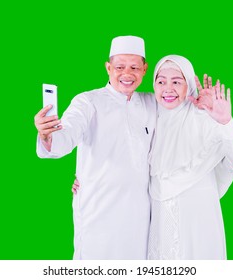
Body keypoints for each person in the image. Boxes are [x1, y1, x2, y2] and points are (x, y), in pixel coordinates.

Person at [34, 36, 157, 259]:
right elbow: (67, 133)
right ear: (108, 68)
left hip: (140, 216)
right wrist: (46, 134)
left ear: (145, 69)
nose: (127, 74)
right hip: (98, 211)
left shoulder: (152, 103)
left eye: (134, 67)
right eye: (119, 67)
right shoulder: (87, 101)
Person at [147, 55, 233, 259]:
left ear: (190, 83)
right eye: (161, 81)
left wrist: (226, 122)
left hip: (200, 227)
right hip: (160, 229)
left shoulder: (205, 118)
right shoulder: (151, 122)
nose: (168, 88)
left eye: (177, 81)